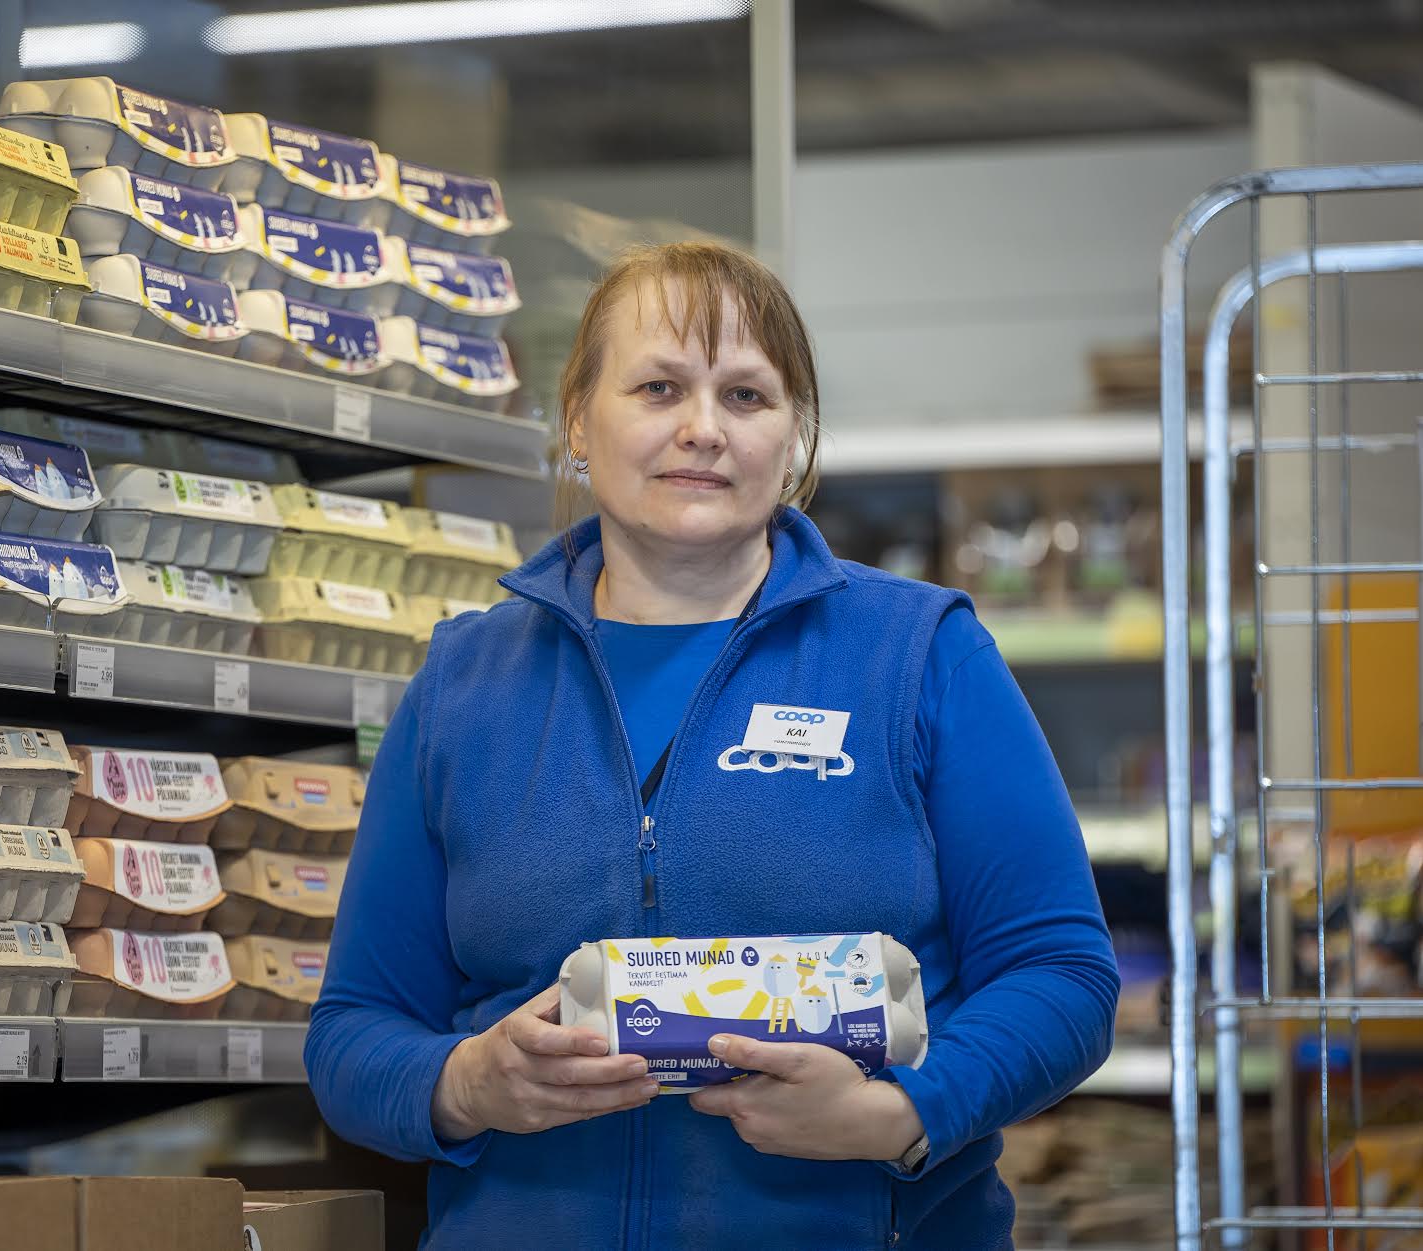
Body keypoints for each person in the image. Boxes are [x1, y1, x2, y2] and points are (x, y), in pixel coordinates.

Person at [304, 241, 1118, 1249]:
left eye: (745, 396)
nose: (702, 430)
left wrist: (900, 1114)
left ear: (791, 436)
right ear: (576, 422)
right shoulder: (464, 686)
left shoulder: (918, 655)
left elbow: (1061, 975)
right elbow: (351, 1036)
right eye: (657, 388)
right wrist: (465, 1083)